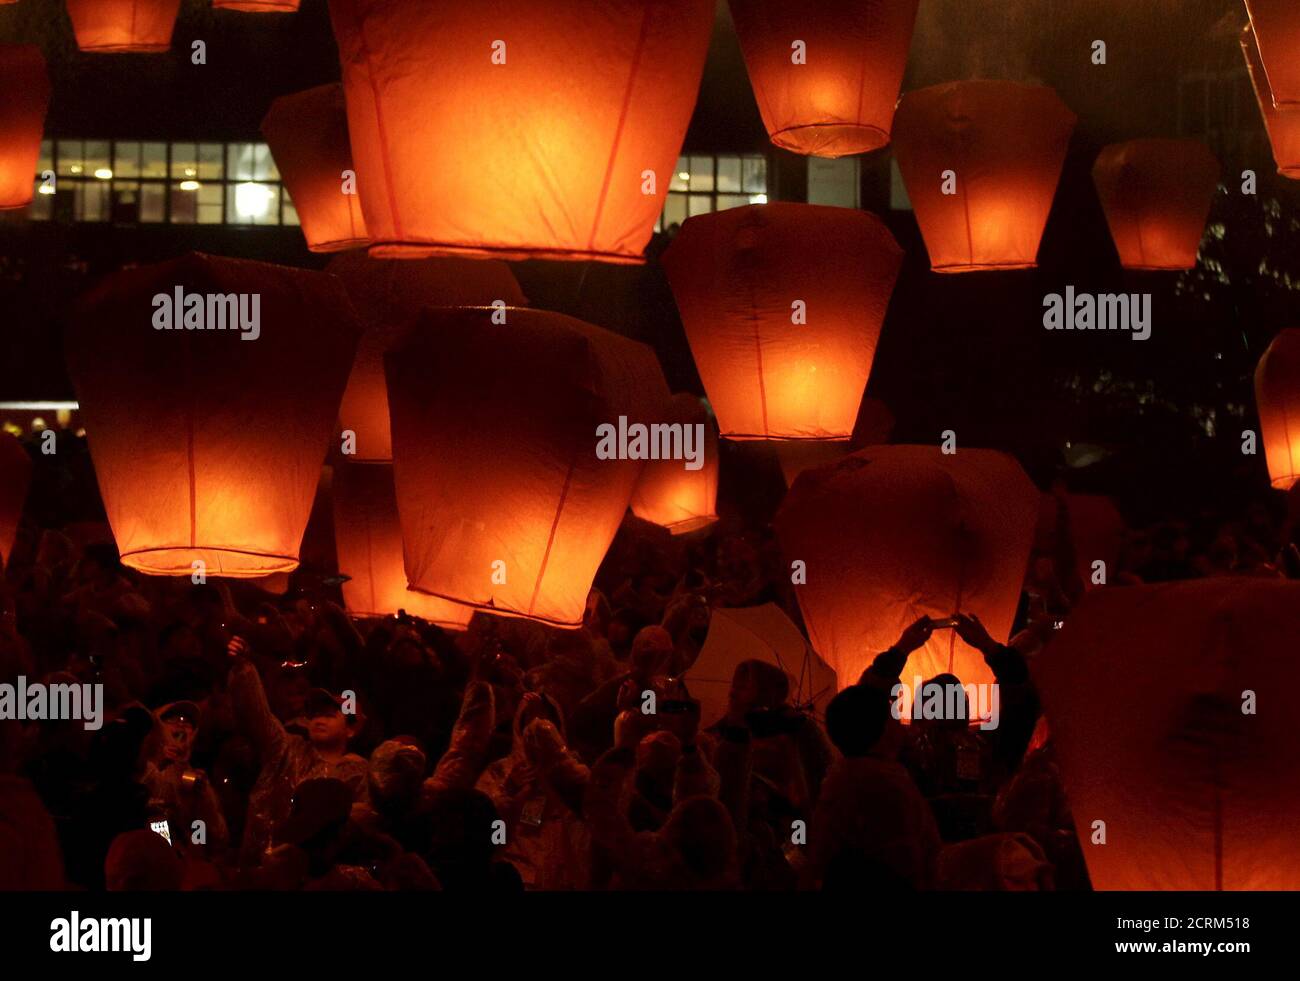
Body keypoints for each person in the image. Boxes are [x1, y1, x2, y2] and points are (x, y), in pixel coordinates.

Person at [226, 636, 368, 865]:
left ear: (350, 730)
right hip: (260, 867)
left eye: (329, 714)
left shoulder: (358, 773)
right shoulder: (286, 747)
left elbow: (361, 825)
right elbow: (256, 714)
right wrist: (244, 670)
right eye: (315, 714)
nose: (319, 718)